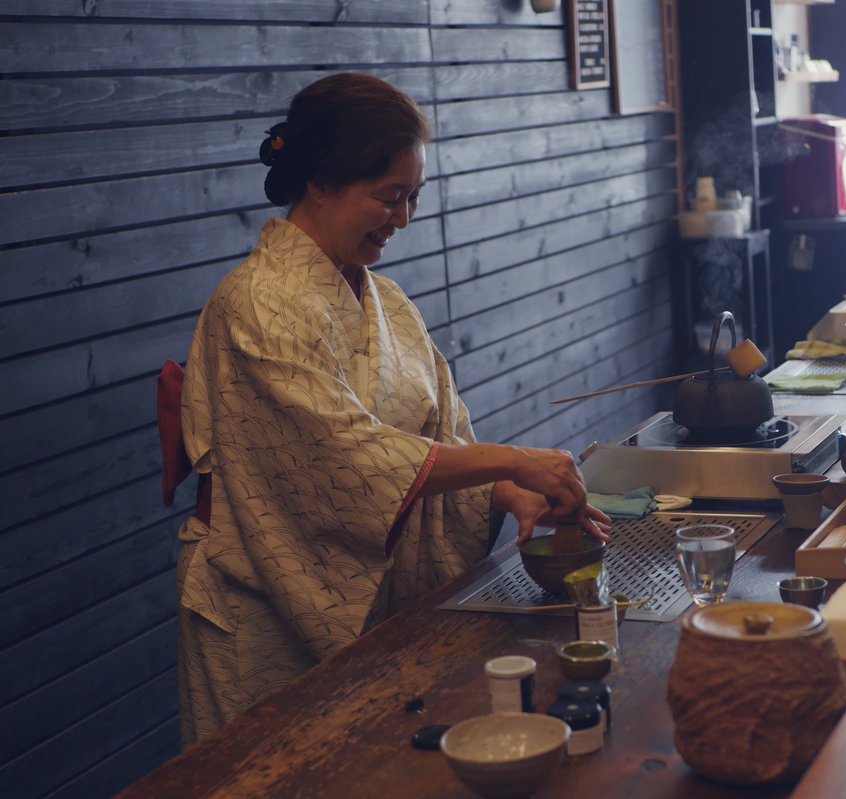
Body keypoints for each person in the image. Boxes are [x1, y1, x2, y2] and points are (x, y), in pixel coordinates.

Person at [175, 73, 610, 744]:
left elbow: (443, 435)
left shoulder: (389, 303)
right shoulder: (258, 302)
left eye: (413, 198)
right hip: (264, 609)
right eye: (388, 197)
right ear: (320, 182)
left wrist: (508, 493)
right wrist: (518, 462)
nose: (403, 219)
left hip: (369, 606)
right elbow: (350, 457)